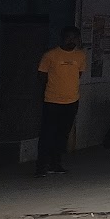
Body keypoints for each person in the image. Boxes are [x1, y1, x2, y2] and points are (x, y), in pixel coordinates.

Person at [36, 26, 86, 177]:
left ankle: (56, 164)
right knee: (47, 134)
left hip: (71, 101)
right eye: (68, 37)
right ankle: (41, 167)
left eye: (74, 38)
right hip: (52, 101)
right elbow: (41, 76)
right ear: (62, 38)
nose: (71, 41)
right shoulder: (51, 55)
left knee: (62, 135)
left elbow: (79, 74)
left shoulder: (81, 56)